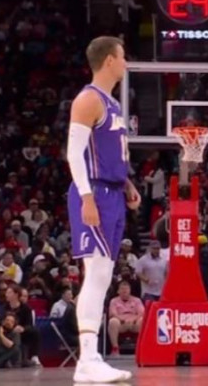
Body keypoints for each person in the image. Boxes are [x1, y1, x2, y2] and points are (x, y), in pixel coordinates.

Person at [66, 36, 141, 384]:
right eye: (123, 57)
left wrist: (126, 183)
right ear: (109, 60)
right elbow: (73, 154)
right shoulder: (88, 100)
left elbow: (110, 154)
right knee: (95, 274)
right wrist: (86, 197)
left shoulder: (111, 103)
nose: (126, 63)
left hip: (112, 191)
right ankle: (87, 359)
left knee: (104, 275)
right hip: (94, 192)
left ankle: (92, 358)